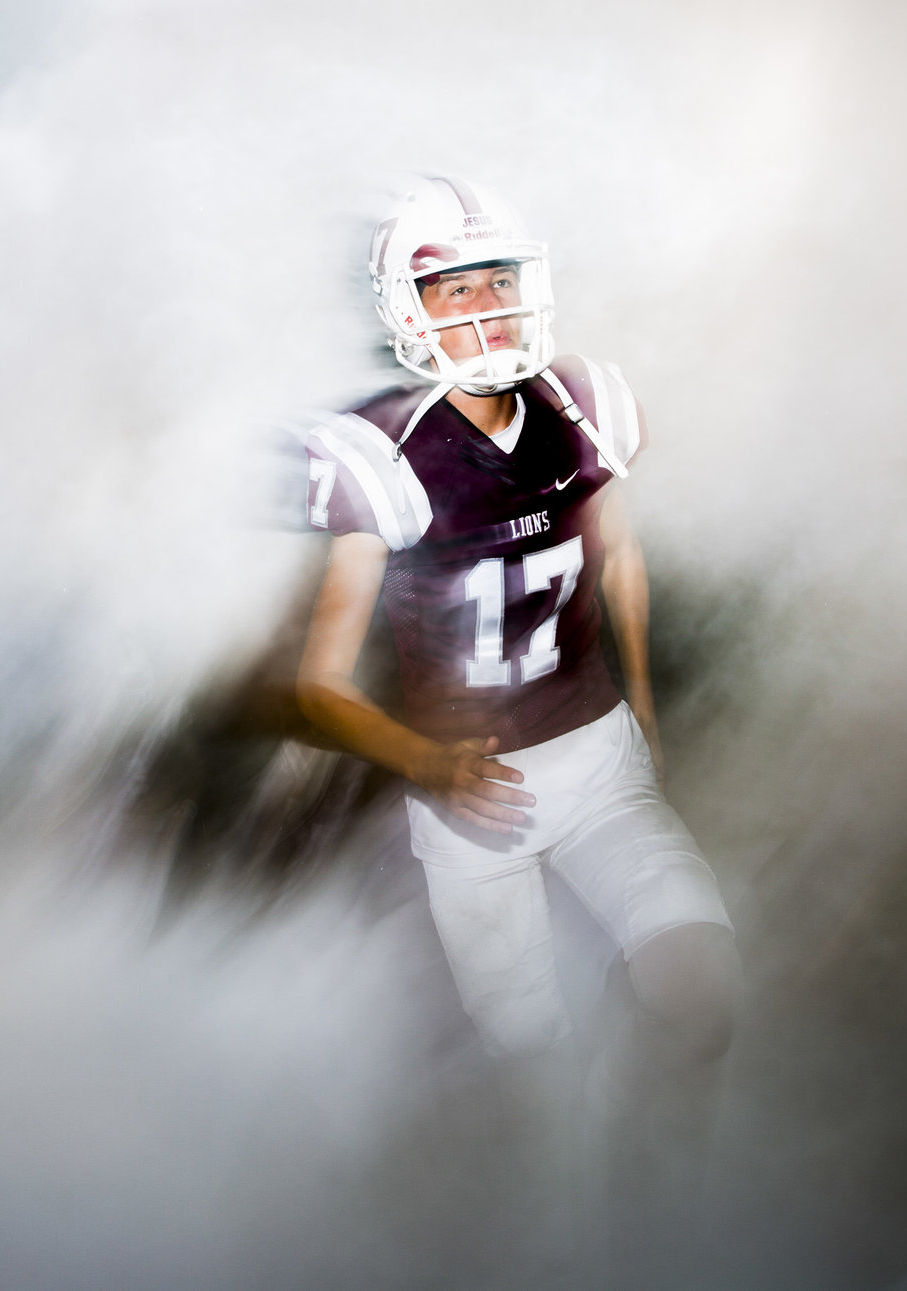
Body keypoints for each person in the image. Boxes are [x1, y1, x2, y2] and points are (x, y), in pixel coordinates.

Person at [295, 176, 739, 1235]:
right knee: (526, 1080)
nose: (485, 305)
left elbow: (616, 556)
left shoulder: (581, 401)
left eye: (498, 278)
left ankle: (648, 1201)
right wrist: (425, 759)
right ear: (408, 309)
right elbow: (315, 681)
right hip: (474, 811)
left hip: (597, 763)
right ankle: (534, 1241)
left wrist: (644, 709)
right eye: (453, 287)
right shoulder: (384, 454)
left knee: (701, 989)